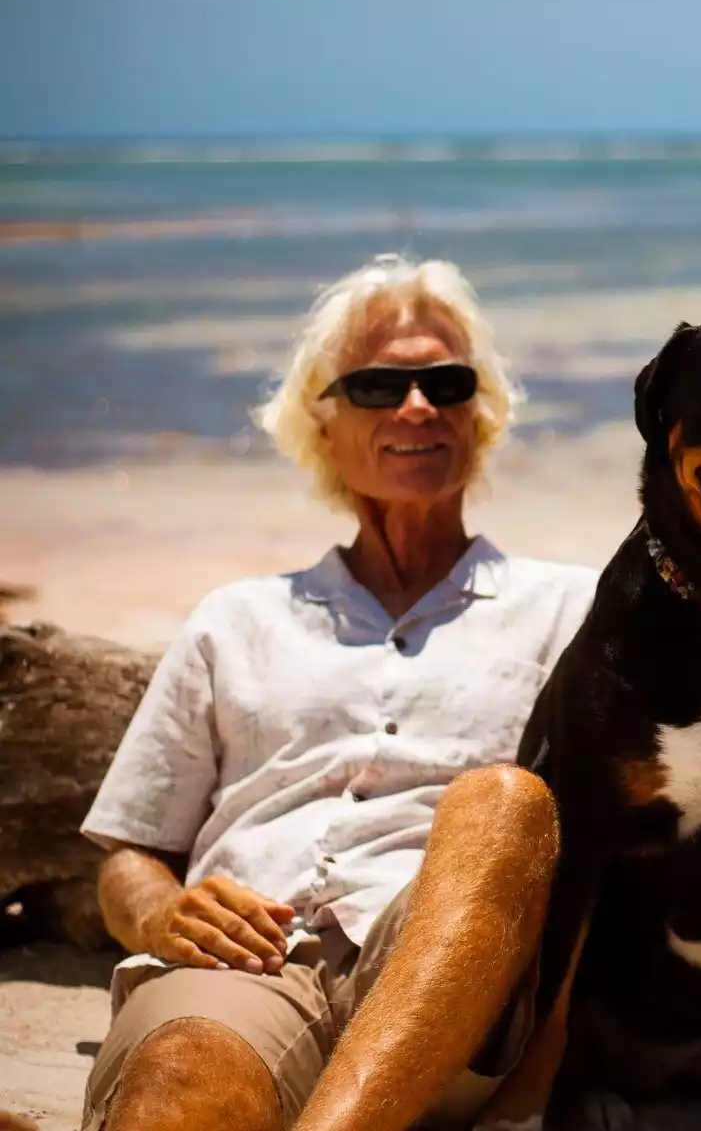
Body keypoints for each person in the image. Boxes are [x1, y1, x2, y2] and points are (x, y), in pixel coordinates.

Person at [79, 255, 598, 1131]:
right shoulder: (235, 619)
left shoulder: (570, 610)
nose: (418, 406)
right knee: (183, 1073)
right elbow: (129, 851)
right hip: (246, 968)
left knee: (503, 805)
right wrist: (164, 911)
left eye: (446, 383)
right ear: (320, 424)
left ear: (480, 414)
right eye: (377, 386)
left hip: (449, 984)